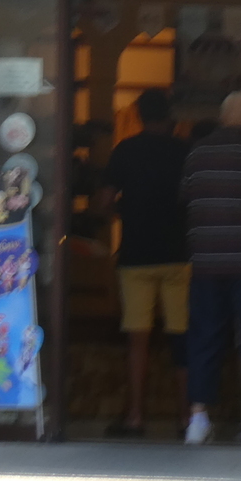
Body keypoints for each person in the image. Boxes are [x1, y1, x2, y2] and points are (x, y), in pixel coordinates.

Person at [101, 88, 192, 437]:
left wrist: (124, 211)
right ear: (170, 116)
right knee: (181, 337)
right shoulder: (184, 151)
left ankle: (136, 416)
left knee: (138, 340)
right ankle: (187, 418)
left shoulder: (126, 150)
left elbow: (103, 201)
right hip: (178, 254)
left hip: (136, 255)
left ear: (138, 115)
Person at [180, 90, 241, 445]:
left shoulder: (197, 152)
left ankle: (198, 419)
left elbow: (185, 199)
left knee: (204, 338)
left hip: (205, 261)